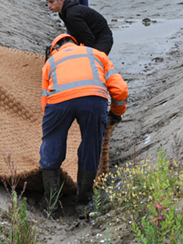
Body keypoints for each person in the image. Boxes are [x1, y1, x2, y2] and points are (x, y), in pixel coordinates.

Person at [40, 33, 128, 219]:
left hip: (59, 102)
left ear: (54, 48)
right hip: (94, 99)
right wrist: (116, 114)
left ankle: (51, 204)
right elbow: (120, 90)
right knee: (91, 146)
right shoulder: (96, 54)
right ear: (76, 43)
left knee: (51, 145)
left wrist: (53, 126)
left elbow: (45, 102)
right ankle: (83, 203)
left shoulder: (51, 63)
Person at [43, 0, 114, 55]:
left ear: (61, 0)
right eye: (47, 2)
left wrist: (82, 53)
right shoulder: (63, 12)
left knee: (91, 62)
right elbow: (77, 34)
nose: (49, 6)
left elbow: (89, 38)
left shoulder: (71, 15)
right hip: (94, 36)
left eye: (52, 2)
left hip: (102, 39)